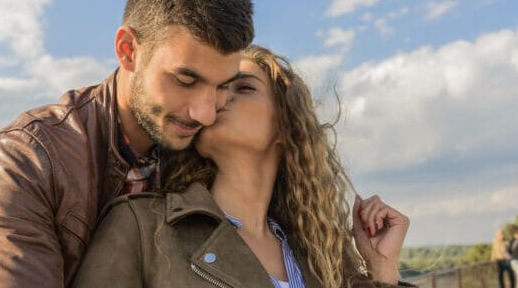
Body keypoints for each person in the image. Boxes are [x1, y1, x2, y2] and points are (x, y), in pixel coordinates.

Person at [0, 0, 254, 287]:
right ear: (128, 51)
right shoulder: (25, 163)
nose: (205, 114)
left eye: (223, 86)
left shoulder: (207, 154)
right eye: (185, 80)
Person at [72, 45, 412, 287]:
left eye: (244, 88)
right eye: (216, 89)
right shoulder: (141, 226)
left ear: (286, 126)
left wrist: (382, 271)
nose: (218, 99)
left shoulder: (321, 255)